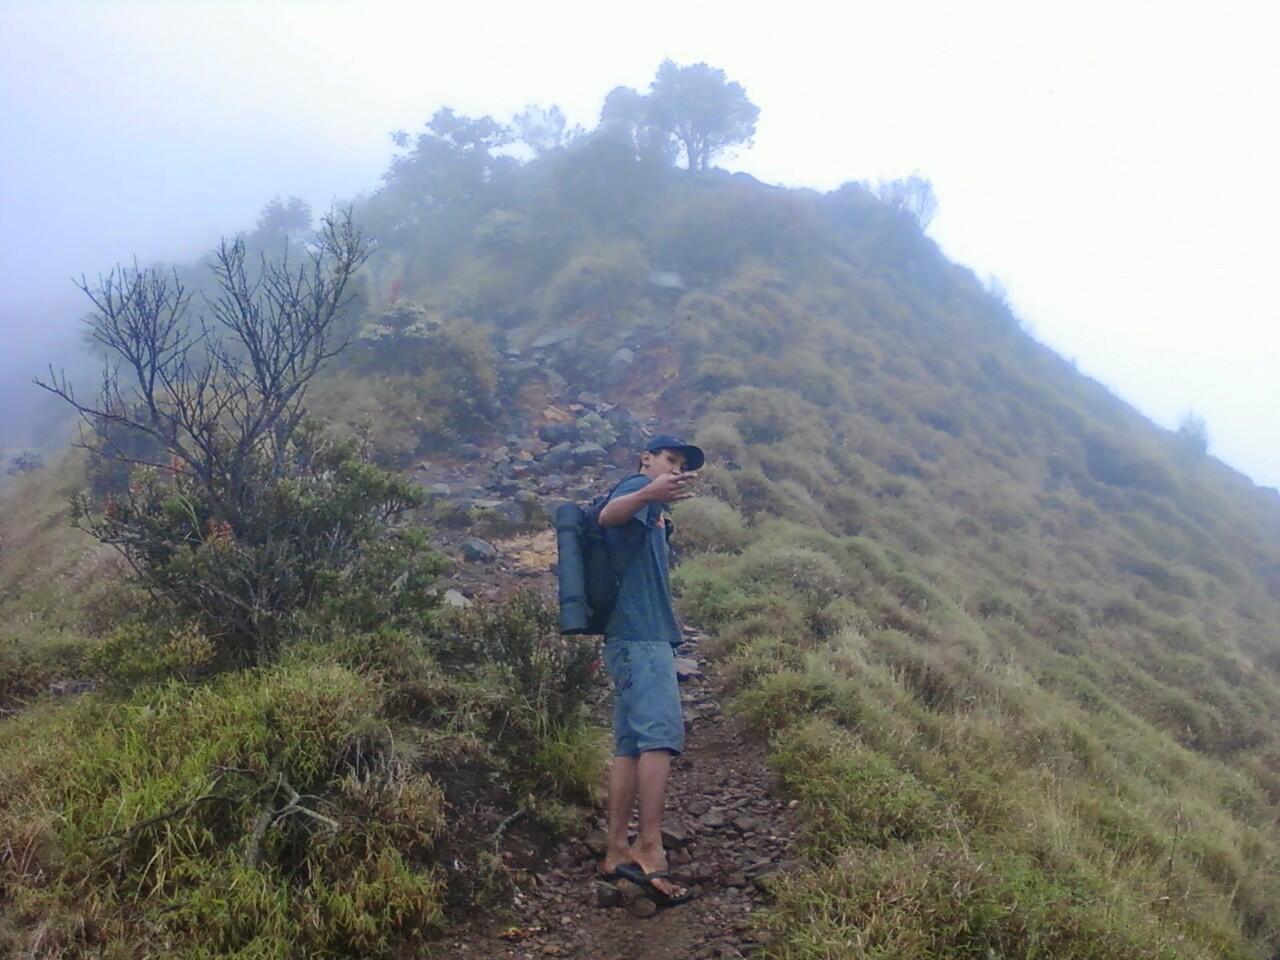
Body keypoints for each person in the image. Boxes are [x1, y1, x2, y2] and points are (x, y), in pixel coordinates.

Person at [595, 433, 705, 907]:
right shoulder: (635, 489)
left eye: (681, 465)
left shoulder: (655, 510)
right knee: (659, 736)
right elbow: (606, 515)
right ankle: (650, 846)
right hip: (641, 639)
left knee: (629, 745)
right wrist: (646, 491)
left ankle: (616, 848)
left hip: (630, 638)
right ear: (646, 458)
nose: (674, 469)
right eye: (669, 459)